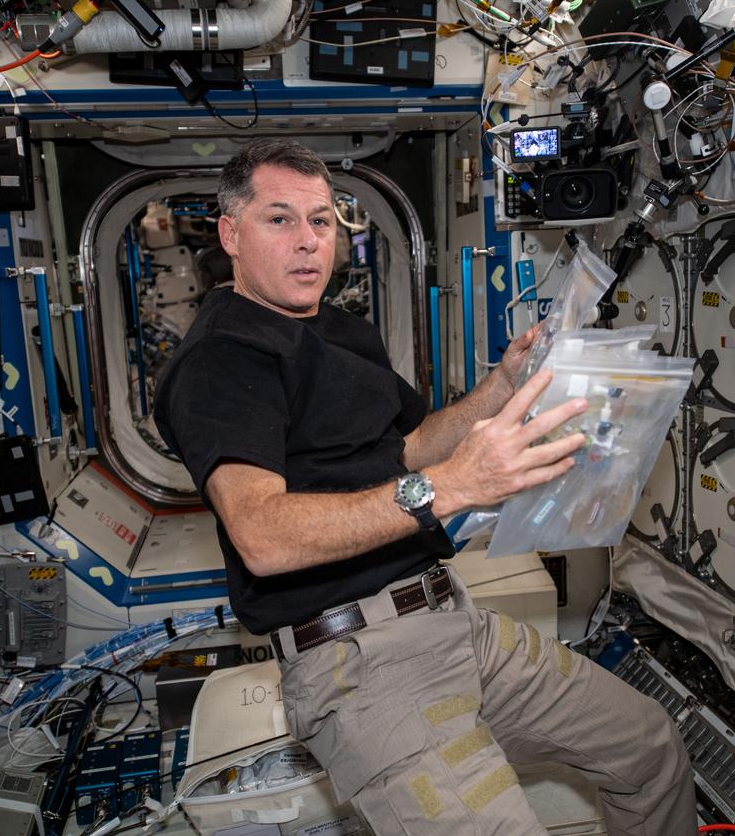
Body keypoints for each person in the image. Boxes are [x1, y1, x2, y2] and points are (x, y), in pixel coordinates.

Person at [155, 138, 694, 835]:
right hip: (361, 665)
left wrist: (502, 386)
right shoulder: (221, 358)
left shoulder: (342, 332)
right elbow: (261, 534)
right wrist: (447, 487)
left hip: (453, 620)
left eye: (322, 221)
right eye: (279, 219)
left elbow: (406, 446)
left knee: (650, 748)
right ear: (231, 232)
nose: (308, 241)